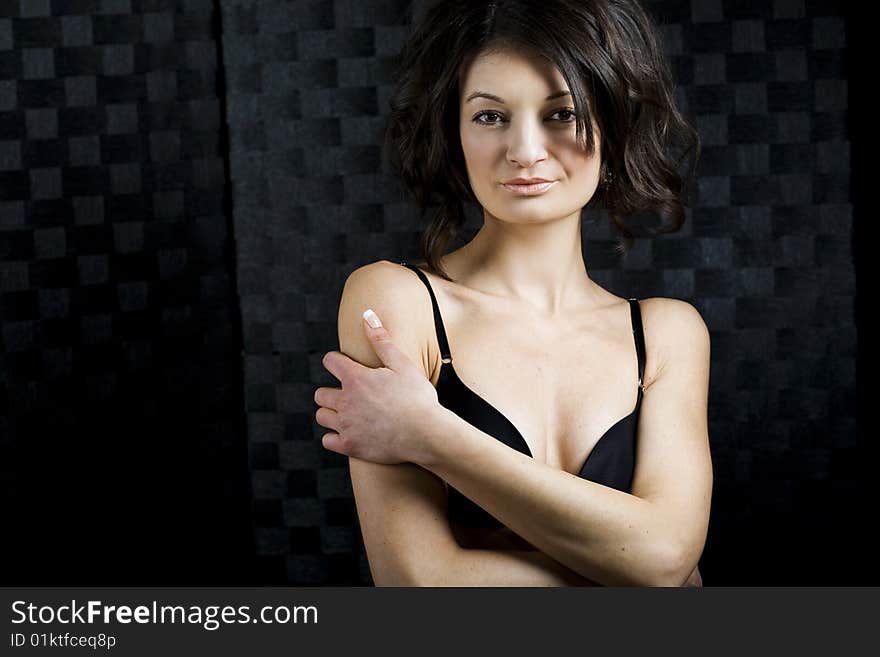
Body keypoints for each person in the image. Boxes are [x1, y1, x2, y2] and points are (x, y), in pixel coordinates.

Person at [314, 0, 710, 586]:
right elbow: (420, 583)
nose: (524, 151)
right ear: (456, 132)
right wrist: (631, 568)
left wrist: (432, 436)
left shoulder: (666, 334)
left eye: (561, 114)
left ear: (614, 128)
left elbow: (665, 556)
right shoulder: (398, 301)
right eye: (491, 117)